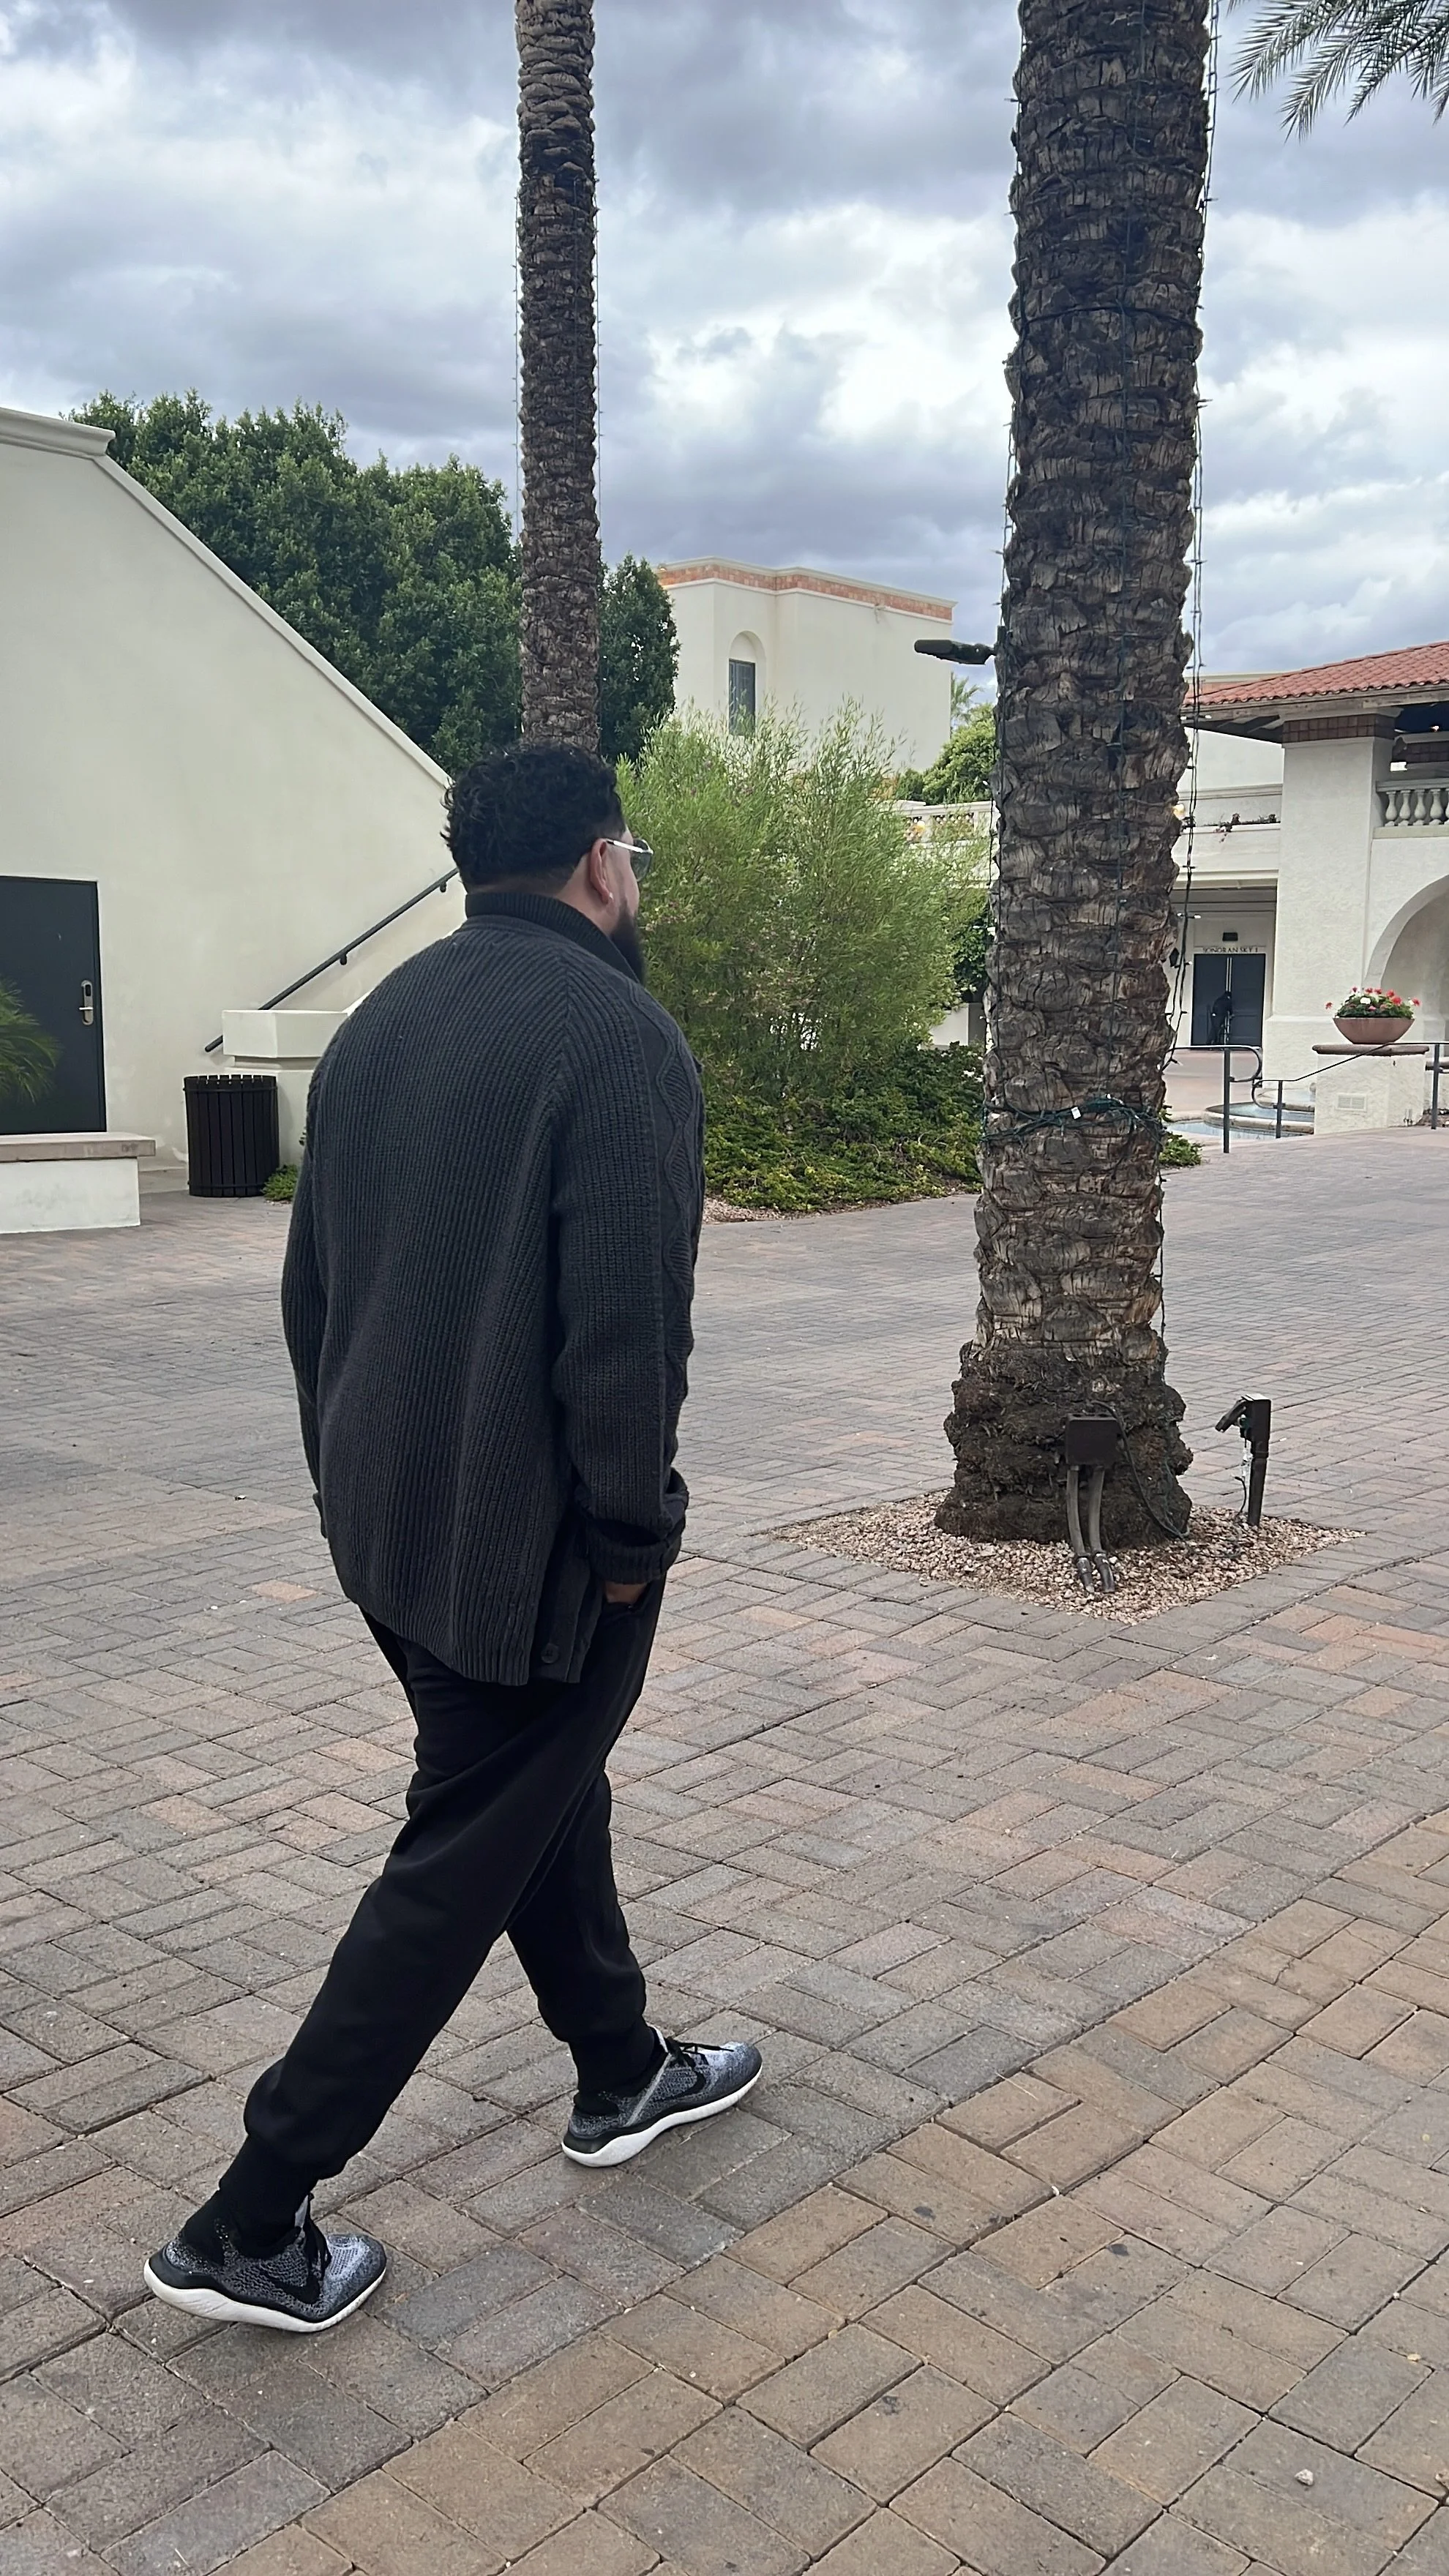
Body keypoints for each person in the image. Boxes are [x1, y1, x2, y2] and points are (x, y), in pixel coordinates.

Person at [144, 744, 760, 2334]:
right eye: (635, 857)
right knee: (461, 1852)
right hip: (538, 1548)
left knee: (530, 1791)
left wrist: (351, 1483)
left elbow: (311, 1294)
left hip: (387, 1524)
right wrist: (632, 1536)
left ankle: (620, 2067)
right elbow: (628, 1332)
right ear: (602, 863)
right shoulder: (620, 1038)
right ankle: (249, 2214)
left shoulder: (379, 1023)